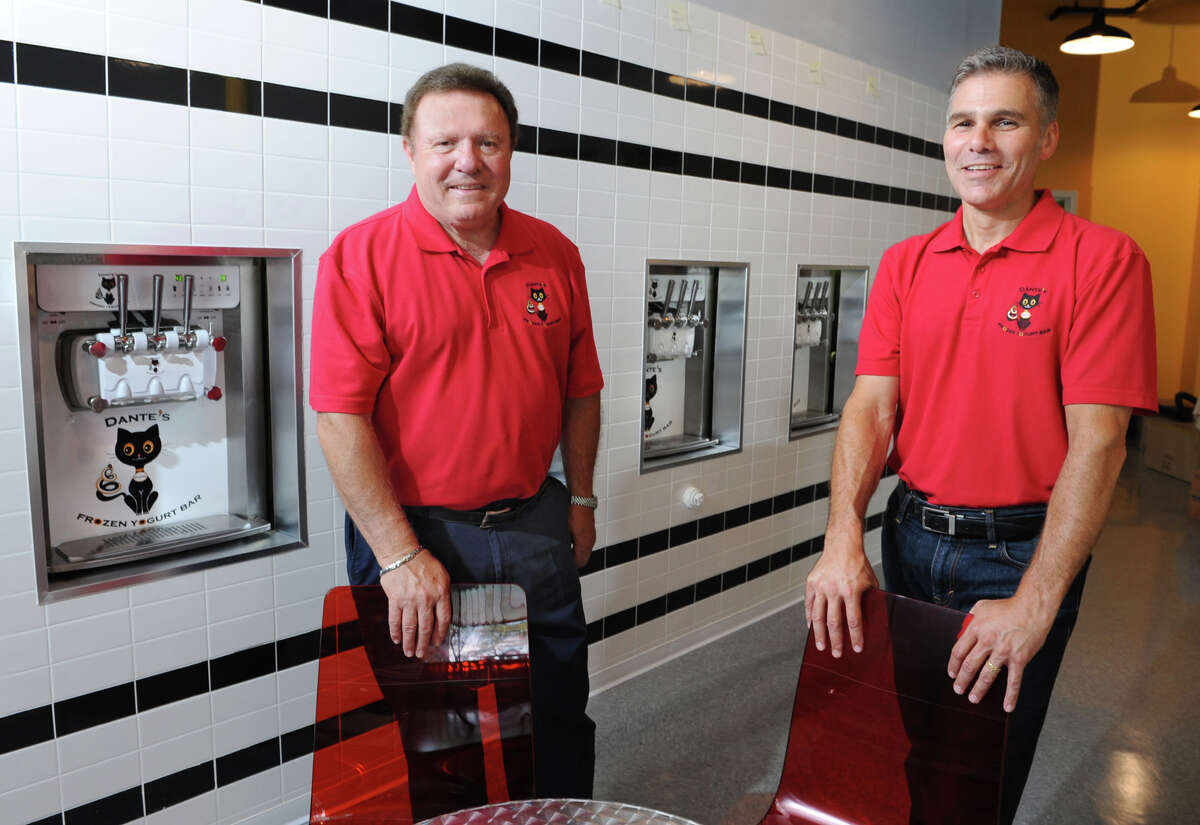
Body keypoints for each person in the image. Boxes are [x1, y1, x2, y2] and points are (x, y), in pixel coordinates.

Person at [804, 46, 1156, 824]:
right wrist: (841, 537)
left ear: (1047, 138)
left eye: (1005, 121)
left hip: (1017, 552)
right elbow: (870, 407)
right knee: (915, 747)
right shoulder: (907, 263)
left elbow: (1099, 443)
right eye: (964, 122)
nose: (979, 142)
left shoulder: (1101, 261)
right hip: (911, 536)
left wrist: (1035, 601)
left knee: (977, 781)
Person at [309, 62, 603, 799]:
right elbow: (339, 416)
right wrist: (398, 554)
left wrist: (584, 499)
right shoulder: (361, 257)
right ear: (410, 150)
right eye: (445, 142)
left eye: (489, 142)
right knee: (443, 738)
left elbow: (581, 388)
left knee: (559, 714)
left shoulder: (555, 254)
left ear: (511, 151)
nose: (468, 161)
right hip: (421, 537)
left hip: (535, 525)